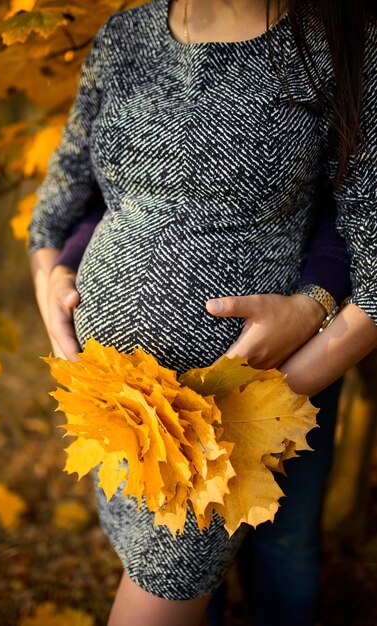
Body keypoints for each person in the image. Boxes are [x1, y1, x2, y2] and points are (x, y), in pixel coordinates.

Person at [28, 1, 377, 625]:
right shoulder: (124, 36)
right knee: (179, 590)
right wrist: (52, 285)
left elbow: (371, 262)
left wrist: (238, 406)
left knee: (243, 565)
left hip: (228, 424)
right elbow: (59, 206)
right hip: (116, 409)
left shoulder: (336, 48)